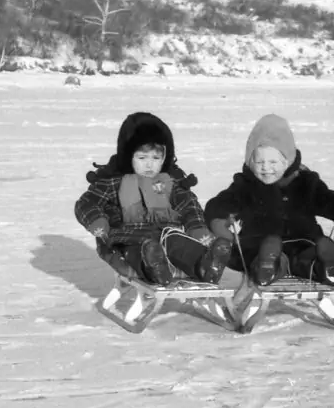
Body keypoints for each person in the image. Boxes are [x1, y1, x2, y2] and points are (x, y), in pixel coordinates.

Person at [204, 114, 334, 287]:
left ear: (288, 160)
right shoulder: (249, 185)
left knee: (253, 259)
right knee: (303, 259)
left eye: (273, 162)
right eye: (259, 162)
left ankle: (278, 265)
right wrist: (218, 218)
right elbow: (222, 203)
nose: (266, 168)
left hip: (261, 240)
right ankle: (320, 265)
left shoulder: (300, 184)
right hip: (300, 241)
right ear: (250, 160)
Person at [75, 112, 232, 286]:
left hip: (165, 234)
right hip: (129, 239)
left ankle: (205, 265)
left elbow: (188, 204)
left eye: (156, 158)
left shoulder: (168, 183)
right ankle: (154, 269)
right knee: (143, 252)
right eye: (142, 158)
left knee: (179, 244)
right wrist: (97, 220)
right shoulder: (114, 182)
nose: (149, 164)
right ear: (129, 156)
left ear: (165, 157)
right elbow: (87, 203)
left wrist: (196, 228)